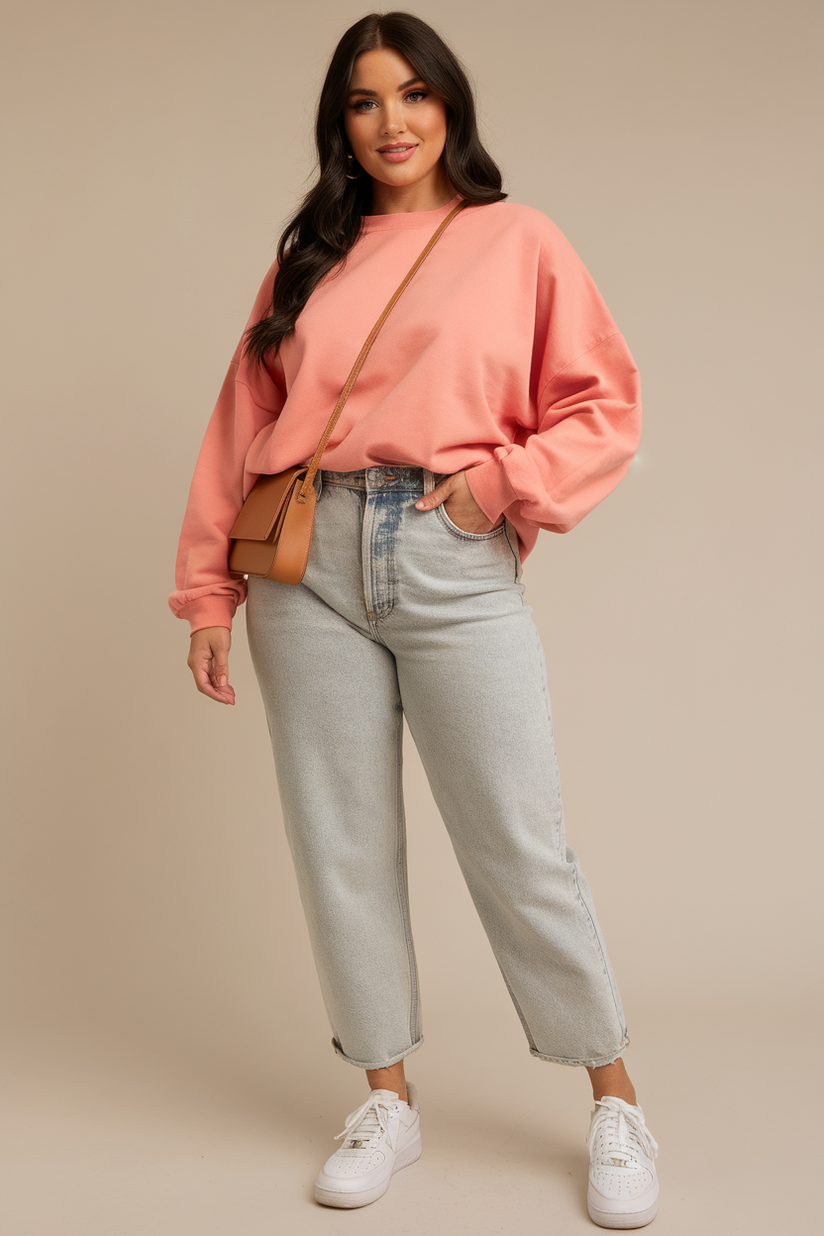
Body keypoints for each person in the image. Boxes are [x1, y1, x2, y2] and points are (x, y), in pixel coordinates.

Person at [168, 11, 660, 1229]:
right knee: (340, 842)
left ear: (450, 106)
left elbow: (603, 404)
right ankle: (386, 1094)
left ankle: (612, 1097)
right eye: (362, 102)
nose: (391, 123)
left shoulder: (516, 240)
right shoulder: (309, 258)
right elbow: (240, 427)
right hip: (303, 564)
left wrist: (494, 487)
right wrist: (206, 594)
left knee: (516, 836)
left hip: (444, 552)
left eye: (412, 96)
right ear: (340, 124)